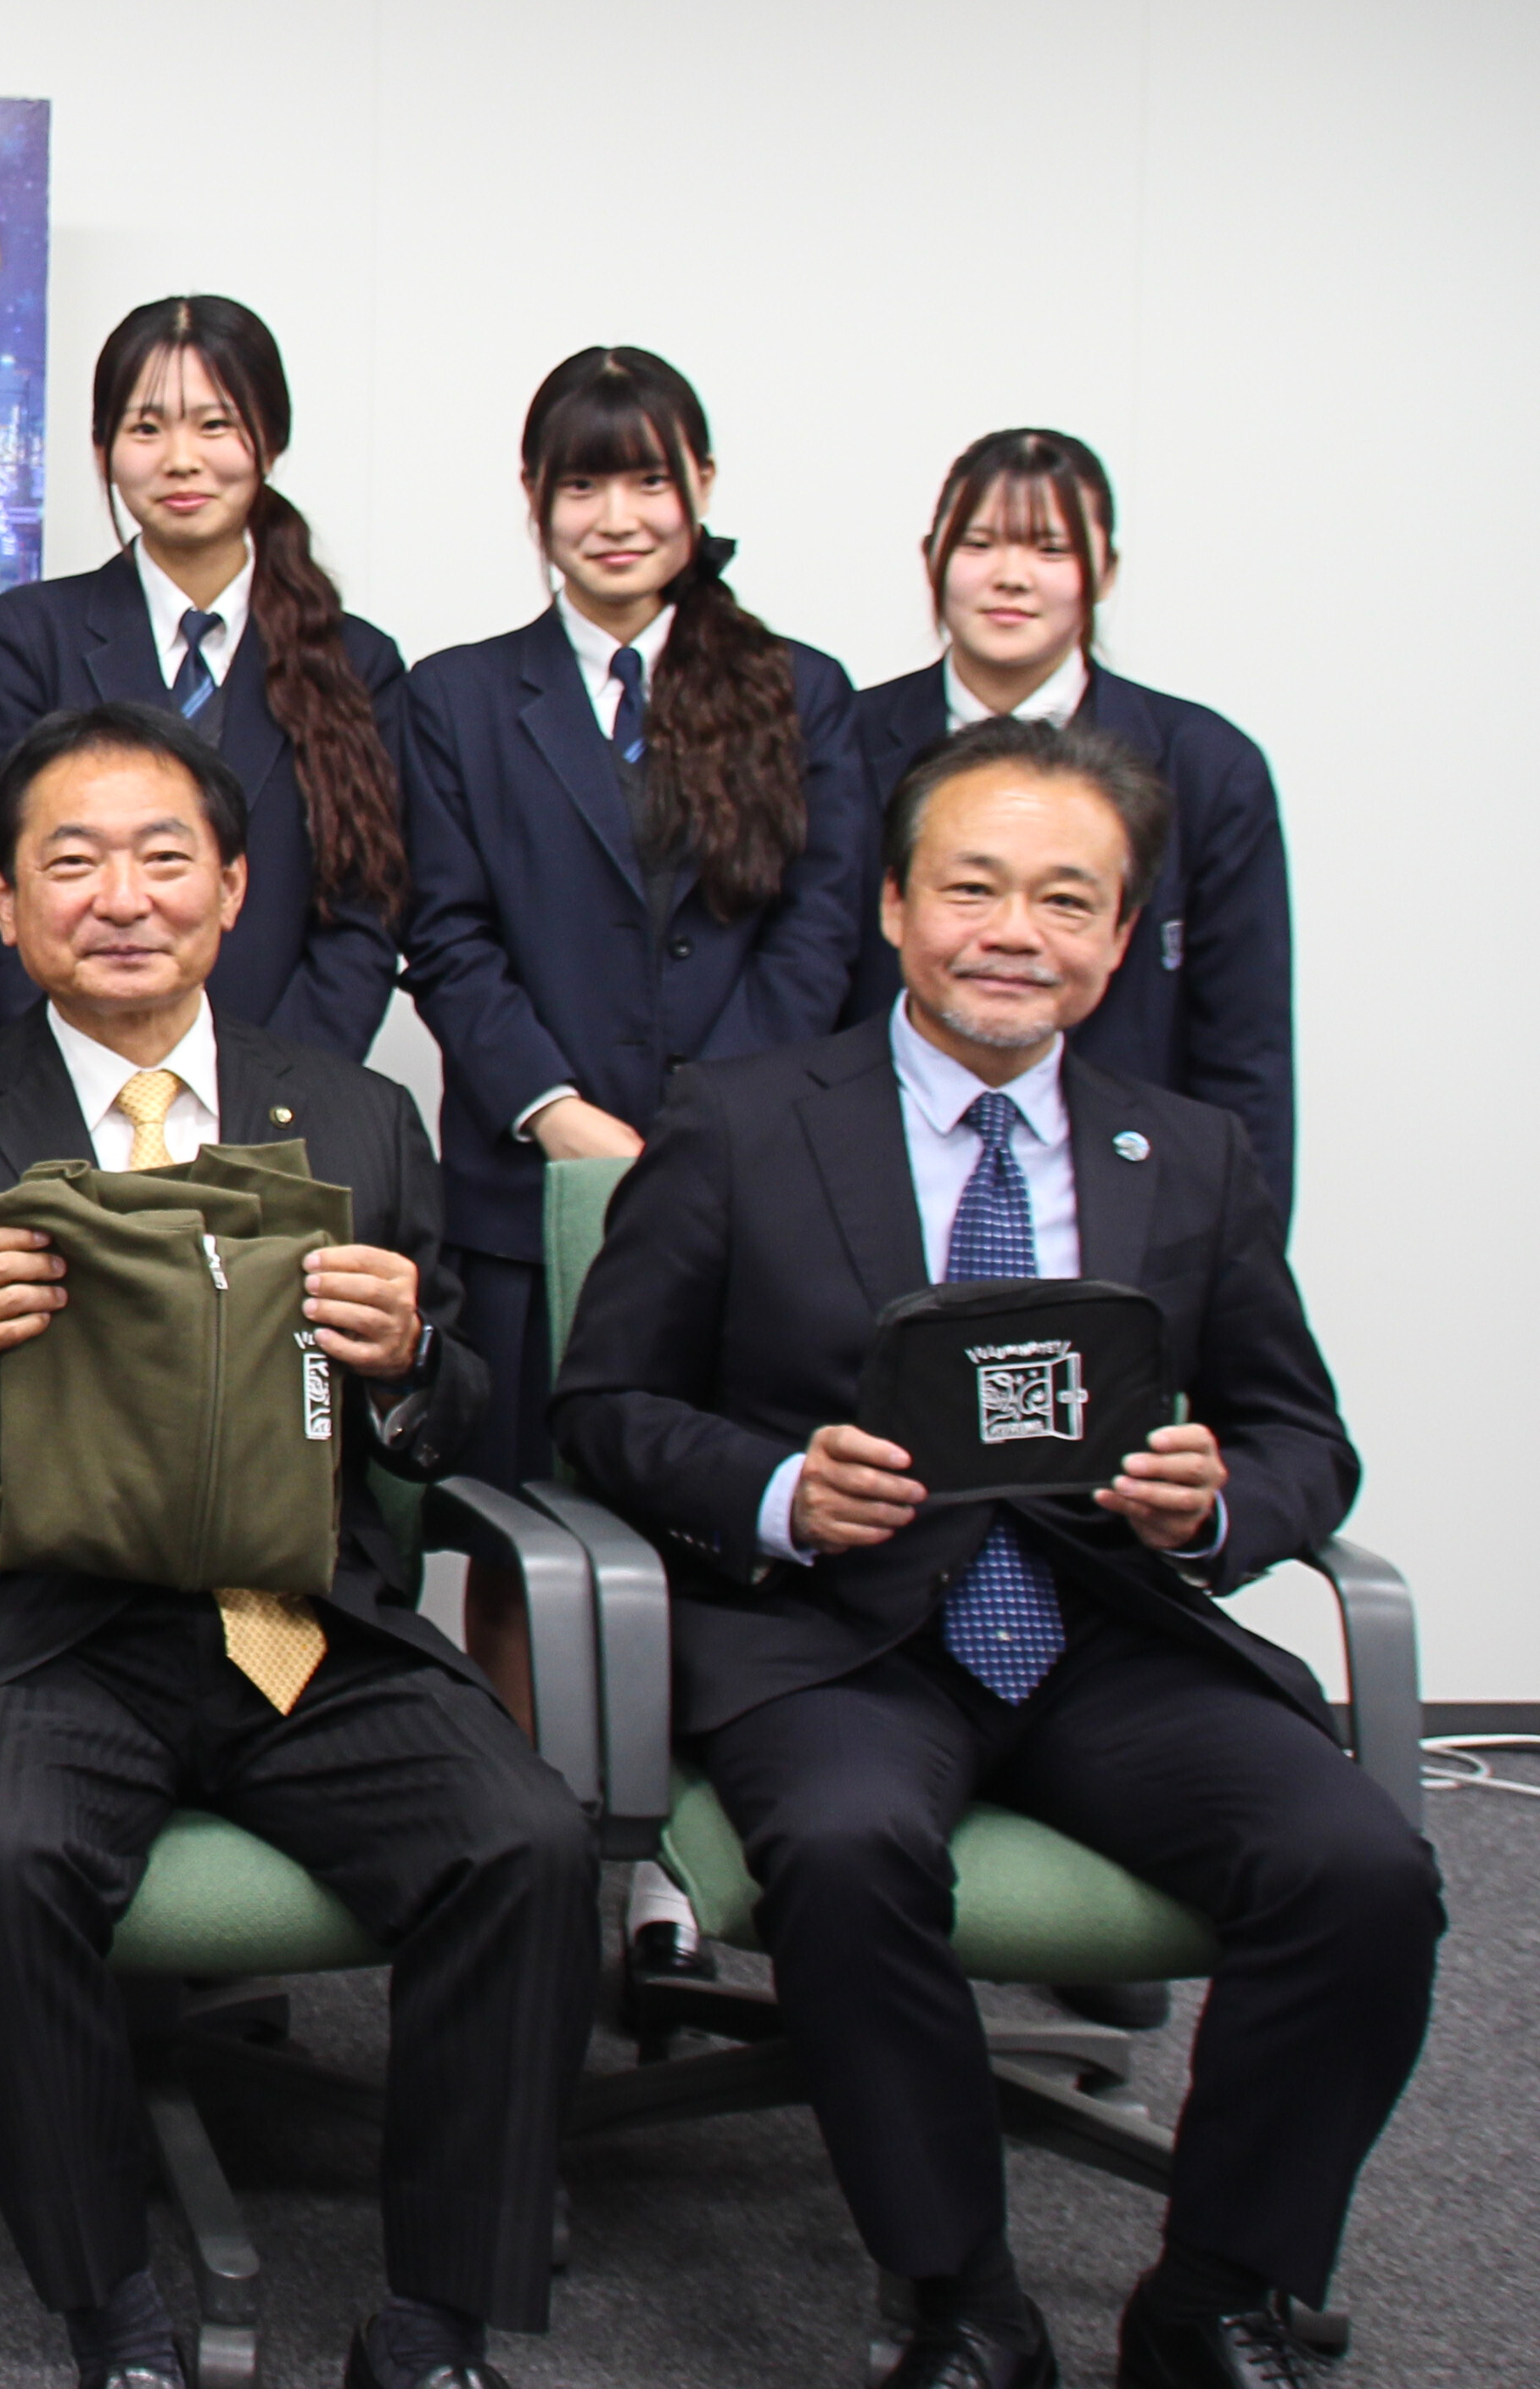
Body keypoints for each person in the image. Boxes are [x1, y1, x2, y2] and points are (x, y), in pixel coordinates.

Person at [552, 719, 1436, 2389]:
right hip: (840, 1636)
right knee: (846, 1847)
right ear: (894, 907)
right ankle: (960, 2300)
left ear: (1117, 937)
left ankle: (1215, 2295)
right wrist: (779, 1488)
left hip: (1106, 1633)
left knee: (1362, 1871)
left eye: (1064, 899)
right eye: (971, 888)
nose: (1013, 931)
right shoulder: (740, 1121)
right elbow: (605, 1407)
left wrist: (1214, 1502)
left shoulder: (1187, 1152)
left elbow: (1299, 1437)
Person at [0, 701, 594, 2389]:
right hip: (36, 1640)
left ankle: (437, 2326)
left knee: (524, 1842)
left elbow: (449, 1425)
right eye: (69, 862)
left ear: (232, 889)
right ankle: (116, 2321)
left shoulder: (359, 1119)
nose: (121, 897)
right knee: (0, 1870)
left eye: (164, 858)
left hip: (297, 1623)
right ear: (2, 903)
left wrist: (408, 1360)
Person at [395, 343, 871, 1485]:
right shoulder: (455, 697)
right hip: (525, 1194)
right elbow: (447, 935)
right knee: (523, 1515)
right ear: (534, 497)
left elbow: (822, 929)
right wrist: (556, 1115)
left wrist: (718, 1119)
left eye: (649, 481)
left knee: (733, 1506)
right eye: (582, 485)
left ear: (702, 483)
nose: (617, 519)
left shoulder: (800, 690)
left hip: (751, 1187)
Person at [845, 429, 1291, 1203]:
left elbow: (1245, 1053)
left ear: (1104, 571)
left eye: (1050, 549)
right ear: (932, 558)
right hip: (874, 1177)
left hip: (1123, 1193)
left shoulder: (1206, 767)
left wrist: (1234, 1248)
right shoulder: (843, 743)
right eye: (980, 543)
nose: (1011, 577)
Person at [0, 296, 408, 1055]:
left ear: (272, 439)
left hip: (282, 1096)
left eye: (215, 424)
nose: (180, 459)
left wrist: (276, 1090)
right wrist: (66, 1081)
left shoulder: (357, 662)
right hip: (64, 1090)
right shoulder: (28, 639)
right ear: (103, 448)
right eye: (146, 428)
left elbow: (365, 916)